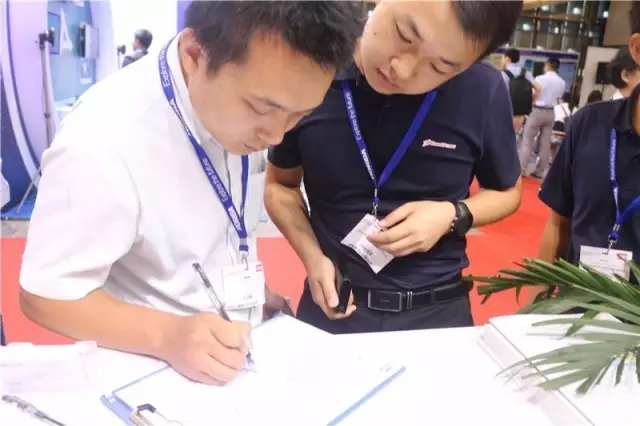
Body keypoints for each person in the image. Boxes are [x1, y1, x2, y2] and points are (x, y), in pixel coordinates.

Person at [18, 2, 363, 385]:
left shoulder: (247, 97)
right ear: (195, 54)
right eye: (261, 109)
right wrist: (168, 336)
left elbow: (212, 229)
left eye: (300, 115)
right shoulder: (105, 137)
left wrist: (251, 294)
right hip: (150, 376)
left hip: (236, 357)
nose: (277, 136)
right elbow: (45, 293)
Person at [265, 0, 523, 334]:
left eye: (439, 67)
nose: (402, 70)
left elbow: (507, 191)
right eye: (405, 35)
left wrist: (452, 214)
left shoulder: (482, 89)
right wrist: (313, 257)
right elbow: (280, 186)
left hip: (437, 316)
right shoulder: (316, 66)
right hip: (333, 305)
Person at [531, 0, 640, 303]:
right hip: (577, 310)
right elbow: (558, 224)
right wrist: (534, 309)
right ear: (637, 49)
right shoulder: (589, 124)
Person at [518, 58, 566, 179]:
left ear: (547, 65)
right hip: (551, 112)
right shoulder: (562, 82)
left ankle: (522, 169)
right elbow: (559, 98)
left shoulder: (539, 79)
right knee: (545, 142)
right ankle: (539, 171)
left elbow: (533, 94)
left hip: (537, 110)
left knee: (528, 139)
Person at [501, 48, 540, 132]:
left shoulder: (502, 73)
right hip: (520, 111)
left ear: (507, 58)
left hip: (505, 109)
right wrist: (531, 103)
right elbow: (538, 89)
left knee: (502, 134)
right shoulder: (526, 73)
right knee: (514, 135)